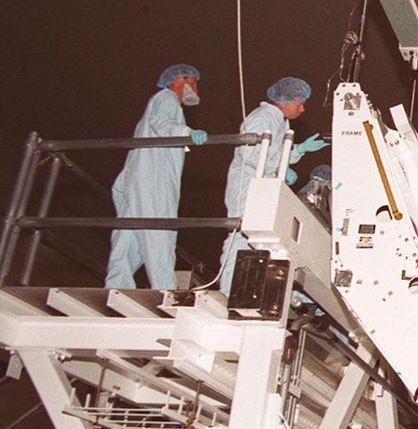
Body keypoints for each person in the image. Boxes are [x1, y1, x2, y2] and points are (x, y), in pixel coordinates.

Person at [218, 76, 327, 293]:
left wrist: (298, 150)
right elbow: (250, 152)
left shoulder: (279, 120)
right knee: (241, 237)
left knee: (257, 241)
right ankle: (225, 293)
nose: (302, 109)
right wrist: (279, 168)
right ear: (285, 101)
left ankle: (241, 291)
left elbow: (275, 153)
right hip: (247, 189)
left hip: (263, 191)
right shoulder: (263, 117)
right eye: (300, 103)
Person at [105, 64, 209, 290]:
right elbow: (161, 123)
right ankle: (166, 290)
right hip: (154, 181)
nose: (196, 87)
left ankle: (116, 285)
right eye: (193, 81)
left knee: (129, 235)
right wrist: (186, 133)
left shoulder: (159, 100)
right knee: (159, 232)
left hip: (137, 177)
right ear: (180, 80)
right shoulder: (168, 98)